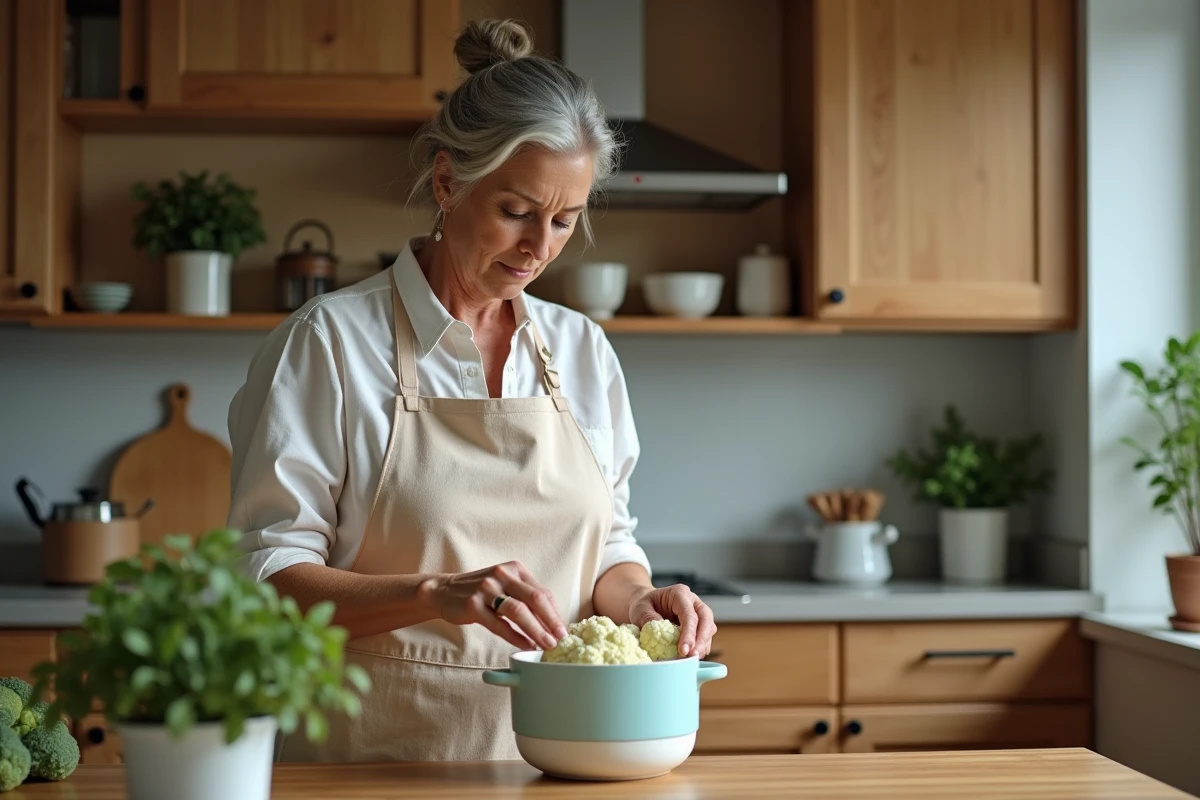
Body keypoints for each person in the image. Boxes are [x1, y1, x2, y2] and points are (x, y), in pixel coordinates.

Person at [226, 19, 717, 763]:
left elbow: (608, 545)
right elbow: (267, 581)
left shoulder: (582, 351)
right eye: (517, 211)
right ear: (450, 181)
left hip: (561, 760)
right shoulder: (329, 344)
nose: (539, 247)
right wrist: (430, 595)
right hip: (370, 764)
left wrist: (639, 599)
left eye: (564, 220)